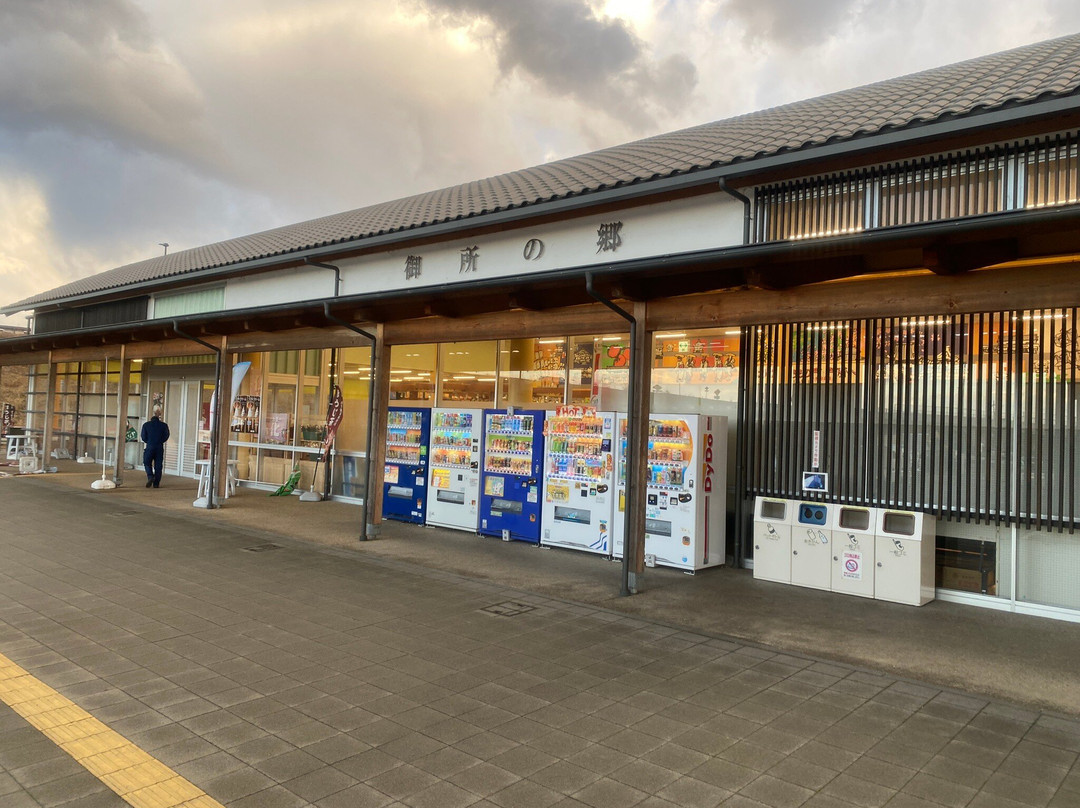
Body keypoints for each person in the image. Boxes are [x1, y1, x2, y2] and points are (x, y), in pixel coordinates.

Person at [141, 406, 170, 488]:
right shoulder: (164, 425)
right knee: (158, 465)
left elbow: (143, 437)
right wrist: (160, 441)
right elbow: (166, 436)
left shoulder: (146, 425)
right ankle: (156, 483)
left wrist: (149, 441)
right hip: (159, 447)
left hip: (149, 446)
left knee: (147, 462)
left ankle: (150, 476)